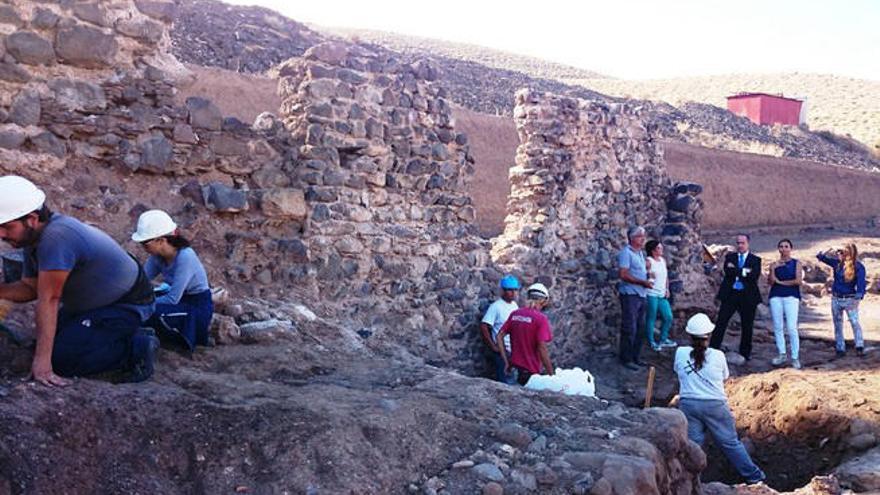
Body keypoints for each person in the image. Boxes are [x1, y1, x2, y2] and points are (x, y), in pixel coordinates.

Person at [0, 175, 157, 386]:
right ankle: (111, 334)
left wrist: (43, 366)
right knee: (47, 343)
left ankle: (136, 346)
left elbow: (50, 299)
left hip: (127, 303)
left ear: (32, 219)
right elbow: (31, 288)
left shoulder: (57, 237)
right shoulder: (32, 240)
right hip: (91, 304)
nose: (1, 234)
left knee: (62, 360)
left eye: (6, 226)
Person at [675, 313, 766, 485]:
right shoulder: (717, 355)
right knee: (730, 443)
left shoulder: (680, 352)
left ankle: (690, 481)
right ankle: (754, 477)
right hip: (714, 405)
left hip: (688, 404)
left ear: (689, 335)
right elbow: (725, 376)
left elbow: (677, 371)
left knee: (694, 444)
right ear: (708, 335)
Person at [133, 210, 213, 351]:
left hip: (195, 306)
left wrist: (141, 302)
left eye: (145, 243)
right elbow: (142, 281)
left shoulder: (185, 257)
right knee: (140, 306)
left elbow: (172, 299)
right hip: (179, 300)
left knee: (150, 310)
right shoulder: (157, 257)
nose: (143, 247)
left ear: (161, 240)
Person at [710, 234, 762, 360]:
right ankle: (713, 349)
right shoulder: (730, 257)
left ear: (748, 243)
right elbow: (728, 272)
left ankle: (745, 353)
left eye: (742, 243)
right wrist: (744, 271)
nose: (740, 245)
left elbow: (753, 276)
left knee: (747, 326)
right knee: (721, 322)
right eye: (738, 243)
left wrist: (738, 271)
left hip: (747, 296)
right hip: (730, 295)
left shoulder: (755, 260)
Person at [496, 283, 554, 386]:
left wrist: (506, 361)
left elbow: (499, 335)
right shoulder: (541, 319)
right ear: (544, 301)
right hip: (530, 373)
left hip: (514, 368)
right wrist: (551, 375)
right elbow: (542, 348)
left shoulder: (515, 314)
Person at [817, 244, 866, 357]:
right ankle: (840, 347)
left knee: (854, 322)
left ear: (849, 254)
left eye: (842, 252)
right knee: (838, 323)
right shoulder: (837, 264)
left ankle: (859, 345)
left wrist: (858, 297)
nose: (839, 254)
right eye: (839, 252)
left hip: (850, 299)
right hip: (836, 298)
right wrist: (829, 249)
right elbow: (820, 257)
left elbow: (861, 283)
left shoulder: (857, 266)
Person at [617, 226, 653, 370]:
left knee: (640, 327)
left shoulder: (640, 253)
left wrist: (647, 276)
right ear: (632, 238)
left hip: (641, 294)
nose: (643, 238)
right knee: (629, 327)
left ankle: (635, 357)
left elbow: (641, 271)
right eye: (639, 236)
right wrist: (642, 282)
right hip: (630, 294)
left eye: (643, 235)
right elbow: (623, 274)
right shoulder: (626, 253)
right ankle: (626, 359)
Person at [767, 239, 802, 369]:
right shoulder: (774, 264)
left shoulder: (796, 263)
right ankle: (782, 353)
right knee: (778, 326)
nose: (783, 249)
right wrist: (772, 270)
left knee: (792, 327)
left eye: (786, 246)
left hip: (791, 297)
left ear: (790, 248)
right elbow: (770, 282)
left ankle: (795, 356)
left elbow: (798, 281)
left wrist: (781, 283)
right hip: (776, 296)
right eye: (781, 246)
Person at [480, 275, 520, 384]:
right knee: (505, 381)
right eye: (510, 290)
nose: (513, 293)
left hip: (513, 350)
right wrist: (493, 346)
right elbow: (484, 325)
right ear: (503, 291)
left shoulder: (514, 305)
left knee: (513, 379)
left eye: (515, 290)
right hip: (502, 351)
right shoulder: (496, 307)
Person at [644, 239, 675, 352]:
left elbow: (666, 276)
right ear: (653, 251)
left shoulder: (662, 260)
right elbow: (645, 275)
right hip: (651, 293)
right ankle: (651, 341)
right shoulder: (648, 261)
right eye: (659, 248)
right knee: (651, 317)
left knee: (668, 316)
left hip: (662, 294)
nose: (661, 250)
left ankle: (663, 339)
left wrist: (667, 288)